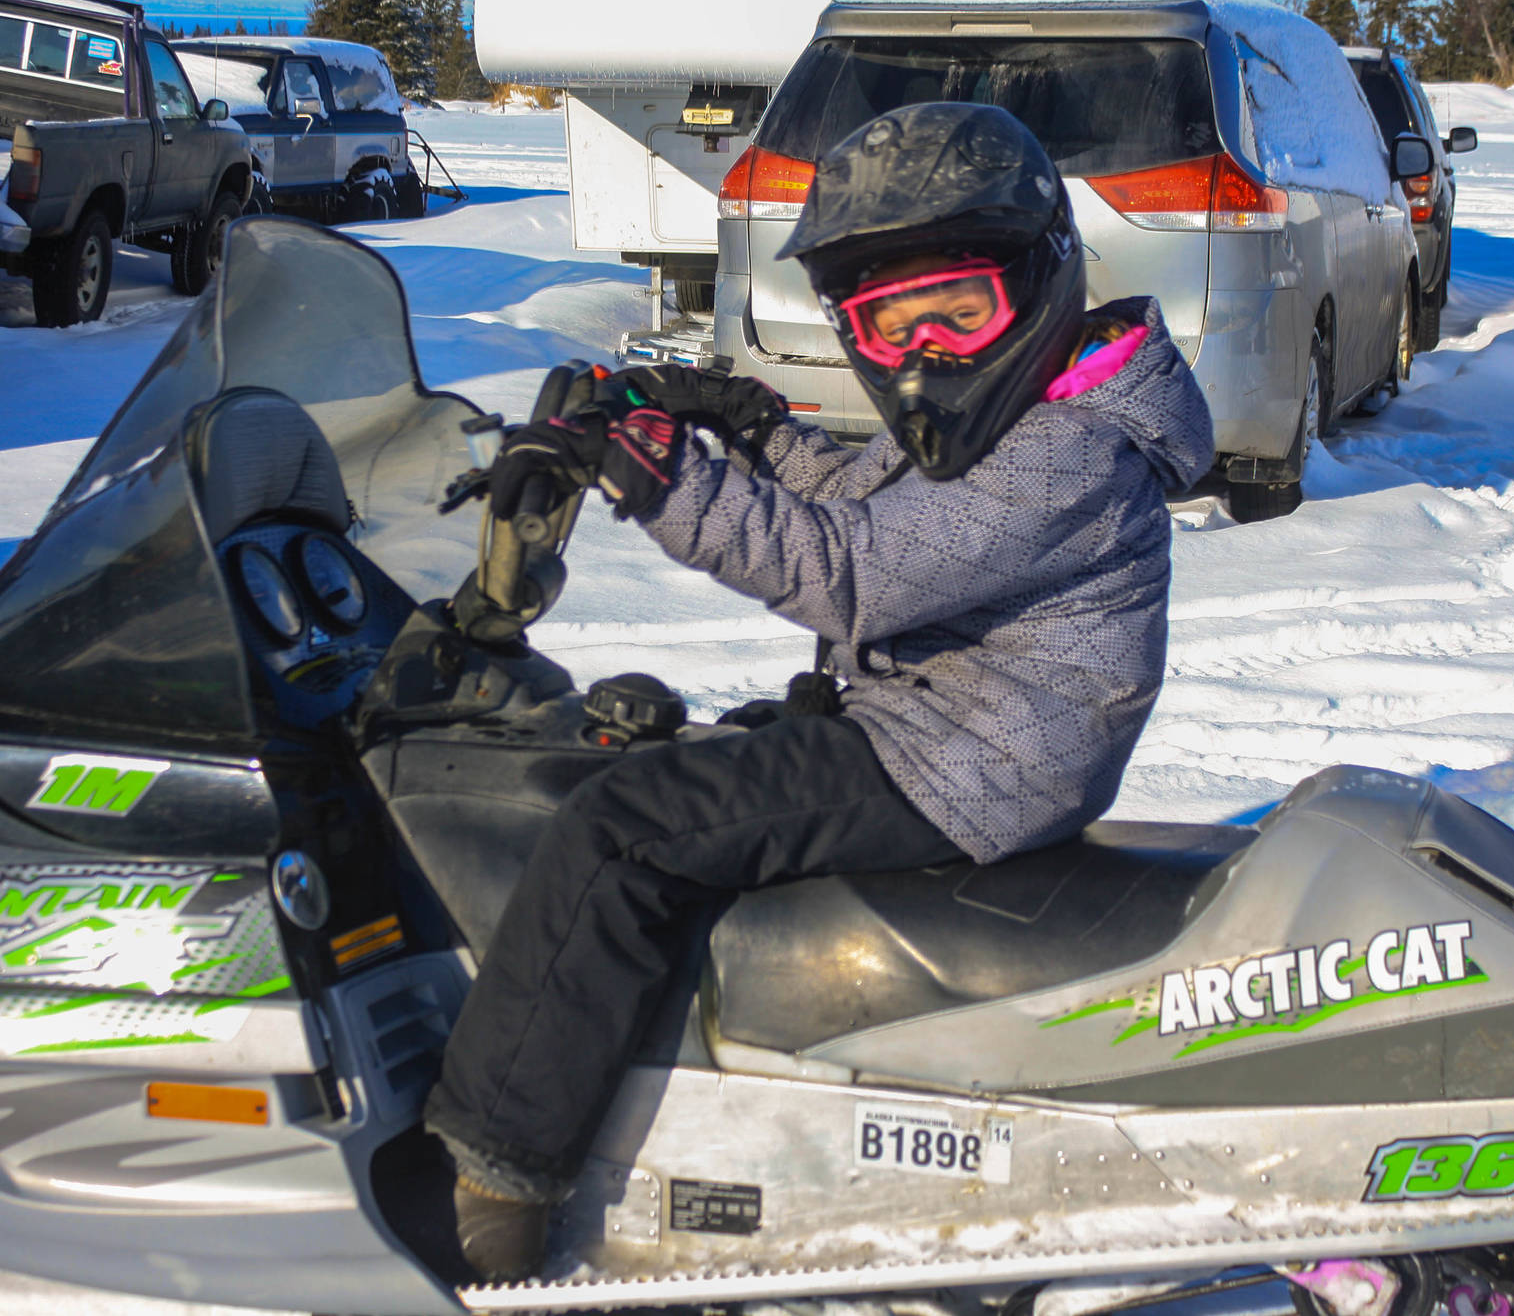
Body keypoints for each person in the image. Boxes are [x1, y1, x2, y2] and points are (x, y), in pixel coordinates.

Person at [424, 101, 1215, 1282]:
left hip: (966, 764)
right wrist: (748, 431)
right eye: (888, 327)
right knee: (658, 768)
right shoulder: (1017, 412)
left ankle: (495, 1183)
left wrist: (653, 473)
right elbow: (870, 506)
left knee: (618, 834)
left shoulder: (1070, 454)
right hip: (945, 730)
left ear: (1043, 284)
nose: (927, 353)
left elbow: (846, 571)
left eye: (963, 312)